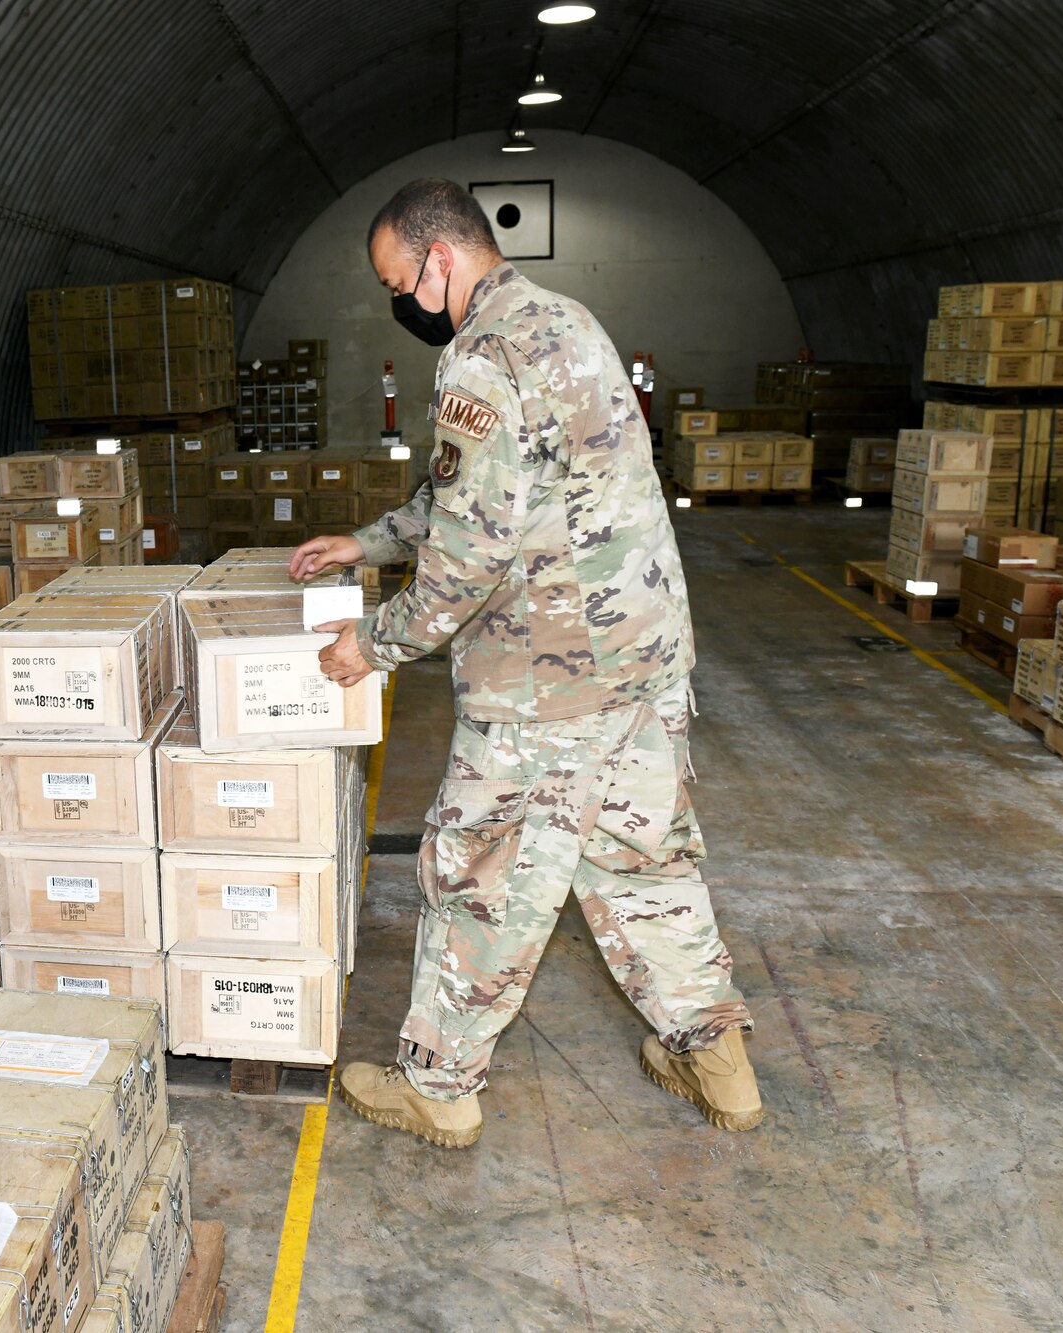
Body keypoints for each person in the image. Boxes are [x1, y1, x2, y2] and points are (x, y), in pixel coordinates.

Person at [291, 177, 760, 1148]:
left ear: (439, 260)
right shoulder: (564, 322)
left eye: (396, 283)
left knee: (479, 874)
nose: (399, 304)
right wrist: (371, 542)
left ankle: (439, 1086)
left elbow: (469, 550)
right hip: (640, 659)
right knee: (642, 862)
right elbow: (488, 485)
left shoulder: (479, 355)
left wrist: (370, 646)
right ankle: (717, 1063)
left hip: (549, 677)